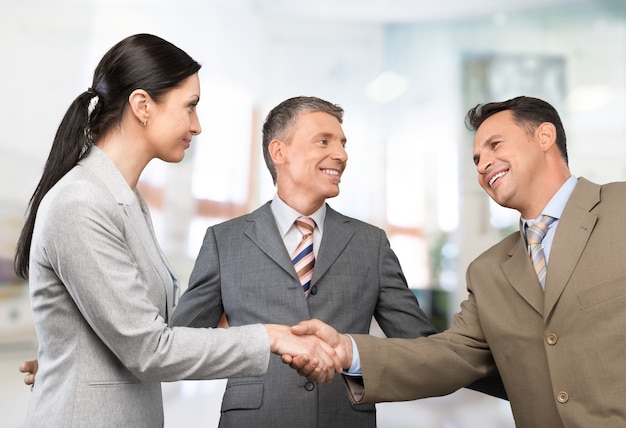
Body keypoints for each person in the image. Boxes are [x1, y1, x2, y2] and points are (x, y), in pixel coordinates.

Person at [13, 34, 340, 428]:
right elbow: (150, 349)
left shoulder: (128, 202)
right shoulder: (81, 203)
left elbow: (152, 328)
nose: (197, 126)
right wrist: (269, 337)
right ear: (142, 106)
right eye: (190, 107)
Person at [288, 95, 626, 428]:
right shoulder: (489, 271)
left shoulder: (619, 208)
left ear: (544, 137)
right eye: (477, 158)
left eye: (495, 144)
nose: (482, 164)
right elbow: (452, 354)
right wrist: (349, 351)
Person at [168, 96, 505, 428]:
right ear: (279, 152)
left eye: (343, 143)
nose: (341, 155)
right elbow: (182, 344)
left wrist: (521, 378)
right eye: (323, 141)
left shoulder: (370, 244)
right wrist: (259, 341)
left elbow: (424, 347)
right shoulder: (224, 240)